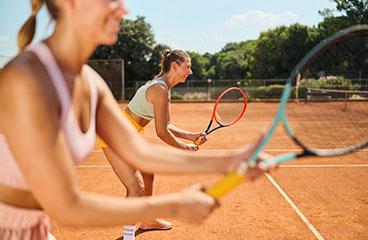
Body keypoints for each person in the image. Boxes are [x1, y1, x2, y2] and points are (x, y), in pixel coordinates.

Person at [0, 0, 270, 240]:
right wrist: (172, 205)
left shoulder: (90, 82)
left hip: (33, 228)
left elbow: (139, 150)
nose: (124, 9)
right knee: (137, 185)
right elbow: (67, 208)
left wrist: (231, 160)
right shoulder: (27, 80)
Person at [98, 48, 208, 234]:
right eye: (187, 67)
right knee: (136, 187)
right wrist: (185, 149)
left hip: (130, 135)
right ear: (174, 66)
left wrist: (190, 136)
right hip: (114, 136)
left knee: (147, 175)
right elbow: (162, 132)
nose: (190, 72)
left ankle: (148, 220)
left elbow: (166, 124)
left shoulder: (164, 88)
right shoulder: (160, 89)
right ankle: (128, 236)